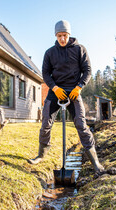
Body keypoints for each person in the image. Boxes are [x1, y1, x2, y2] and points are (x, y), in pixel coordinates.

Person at [28, 20, 105, 175]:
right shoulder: (50, 53)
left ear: (69, 34)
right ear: (56, 35)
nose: (62, 39)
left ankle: (96, 163)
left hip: (73, 92)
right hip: (55, 92)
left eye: (64, 35)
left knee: (81, 124)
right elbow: (45, 73)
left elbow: (87, 70)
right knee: (45, 123)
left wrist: (79, 87)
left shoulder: (79, 49)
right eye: (59, 35)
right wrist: (55, 88)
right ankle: (41, 155)